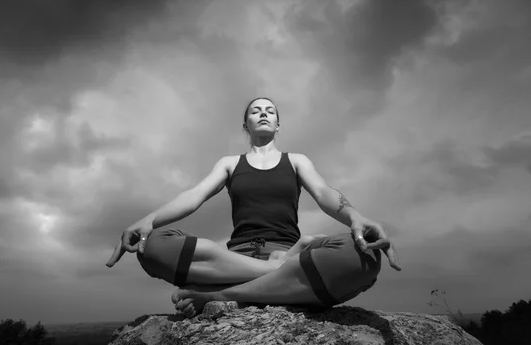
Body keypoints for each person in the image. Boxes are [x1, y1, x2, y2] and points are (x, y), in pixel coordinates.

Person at [106, 97, 402, 318]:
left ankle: (223, 293)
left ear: (278, 125)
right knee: (152, 244)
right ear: (245, 125)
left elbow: (324, 192)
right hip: (240, 258)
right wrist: (149, 219)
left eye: (270, 110)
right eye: (255, 110)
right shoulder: (230, 163)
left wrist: (355, 217)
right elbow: (195, 195)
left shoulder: (296, 160)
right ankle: (270, 277)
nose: (263, 113)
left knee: (365, 254)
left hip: (288, 252)